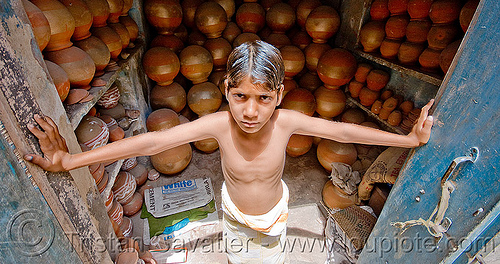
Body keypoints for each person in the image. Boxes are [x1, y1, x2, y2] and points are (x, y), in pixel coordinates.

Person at [26, 41, 434, 264]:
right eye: (240, 96)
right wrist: (69, 161)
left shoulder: (287, 121)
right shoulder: (220, 124)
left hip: (275, 214)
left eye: (262, 97)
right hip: (234, 213)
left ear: (279, 95)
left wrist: (410, 140)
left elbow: (341, 127)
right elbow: (151, 143)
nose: (251, 111)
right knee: (240, 257)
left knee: (268, 258)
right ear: (226, 92)